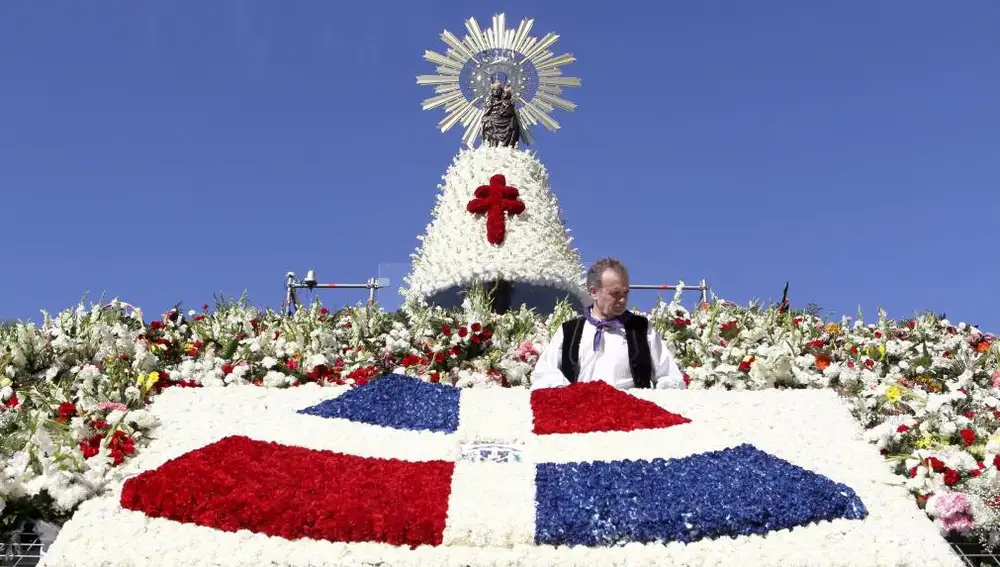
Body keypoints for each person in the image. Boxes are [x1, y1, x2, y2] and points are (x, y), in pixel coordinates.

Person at [530, 257, 687, 390]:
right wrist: (569, 392)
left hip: (632, 417)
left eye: (625, 293)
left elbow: (670, 376)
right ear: (593, 292)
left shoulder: (642, 329)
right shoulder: (569, 331)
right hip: (580, 415)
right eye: (615, 293)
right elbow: (544, 373)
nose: (623, 300)